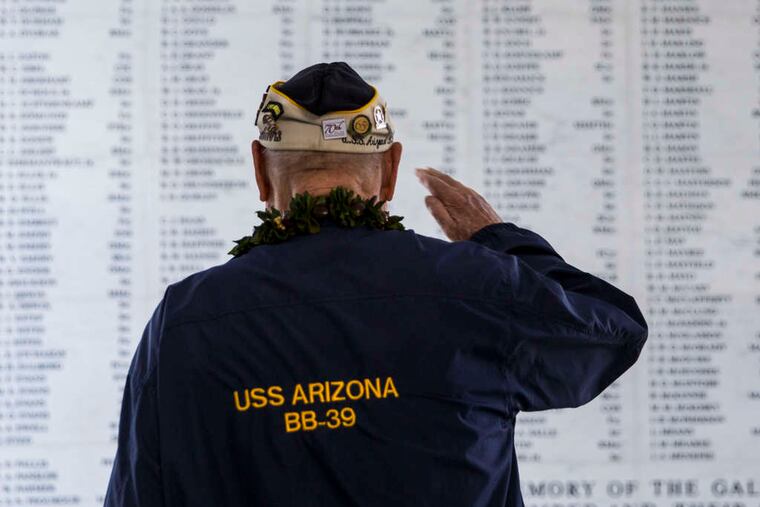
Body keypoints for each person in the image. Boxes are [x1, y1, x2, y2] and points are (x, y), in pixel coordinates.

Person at [103, 62, 648, 507]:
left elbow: (139, 491)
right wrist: (496, 239)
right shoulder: (473, 289)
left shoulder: (185, 320)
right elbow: (615, 332)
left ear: (260, 171)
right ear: (390, 171)